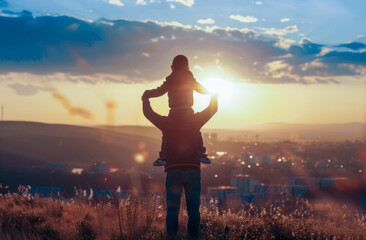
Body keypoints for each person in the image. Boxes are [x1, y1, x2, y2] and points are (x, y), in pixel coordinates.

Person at [142, 91, 218, 239]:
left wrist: (145, 99)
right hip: (193, 171)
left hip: (173, 171)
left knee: (172, 210)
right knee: (194, 211)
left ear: (172, 104)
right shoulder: (195, 120)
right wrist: (213, 95)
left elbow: (149, 114)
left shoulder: (167, 123)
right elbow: (212, 109)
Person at [142, 55, 211, 167]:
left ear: (172, 68)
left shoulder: (170, 80)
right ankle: (200, 153)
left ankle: (163, 156)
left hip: (174, 112)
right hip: (188, 111)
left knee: (167, 132)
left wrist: (147, 94)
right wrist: (211, 92)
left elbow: (159, 91)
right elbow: (200, 89)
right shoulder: (190, 79)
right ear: (188, 68)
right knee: (196, 130)